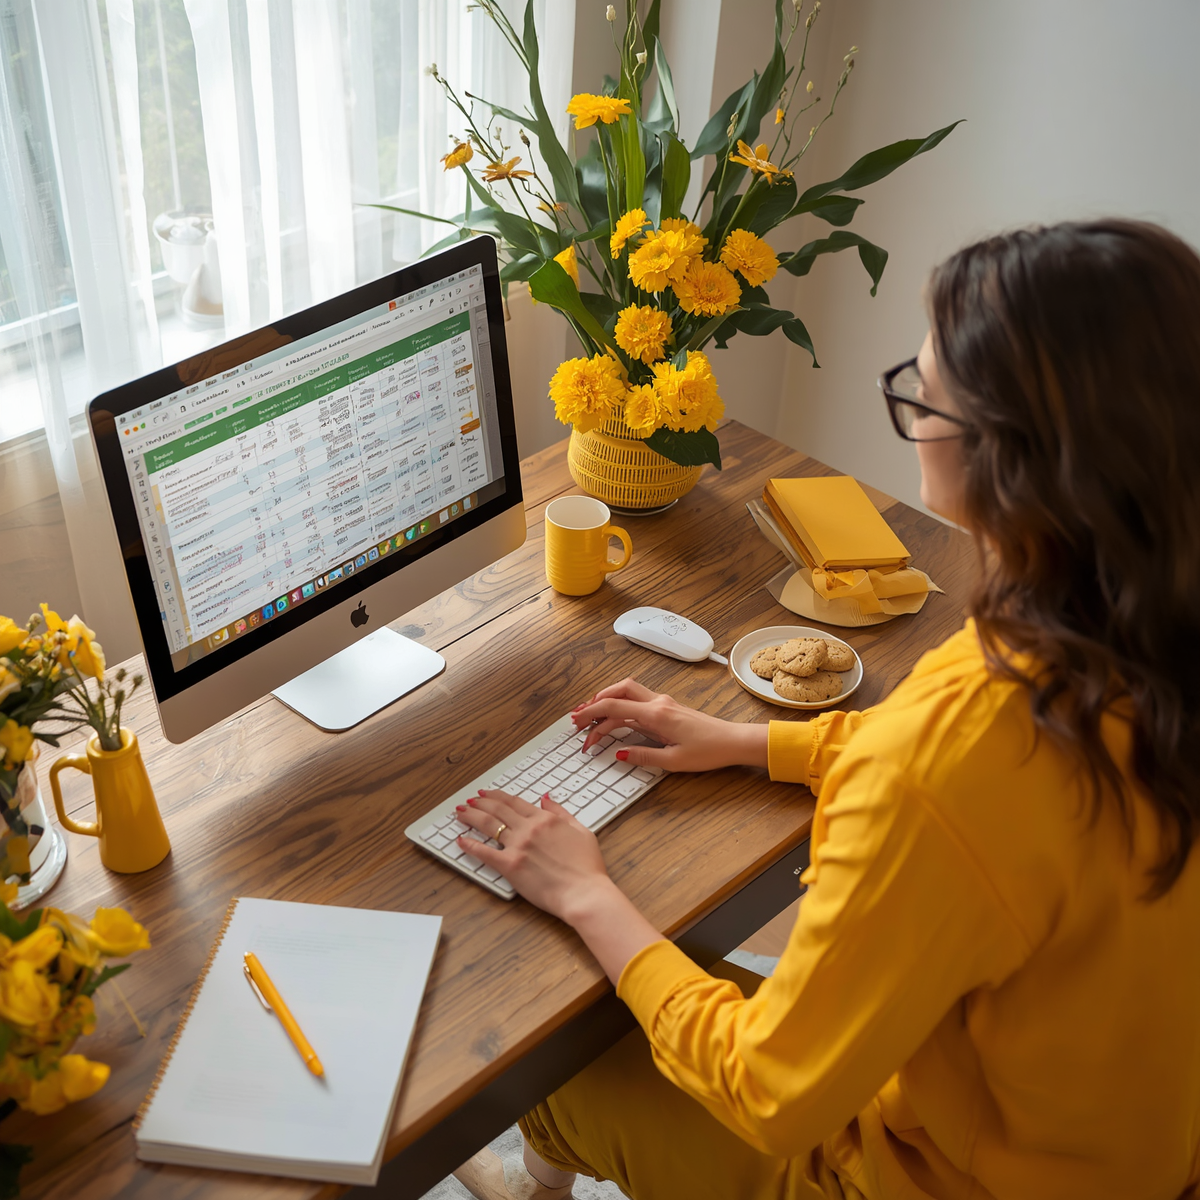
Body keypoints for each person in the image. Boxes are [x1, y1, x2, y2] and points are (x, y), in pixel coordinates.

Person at [451, 219, 1200, 1200]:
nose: (911, 406)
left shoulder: (958, 752)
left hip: (920, 1181)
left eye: (920, 395)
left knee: (563, 1058)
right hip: (1115, 1153)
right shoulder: (1128, 627)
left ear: (1002, 458)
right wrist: (752, 741)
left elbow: (772, 1091)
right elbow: (968, 790)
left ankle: (531, 1178)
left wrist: (587, 892)